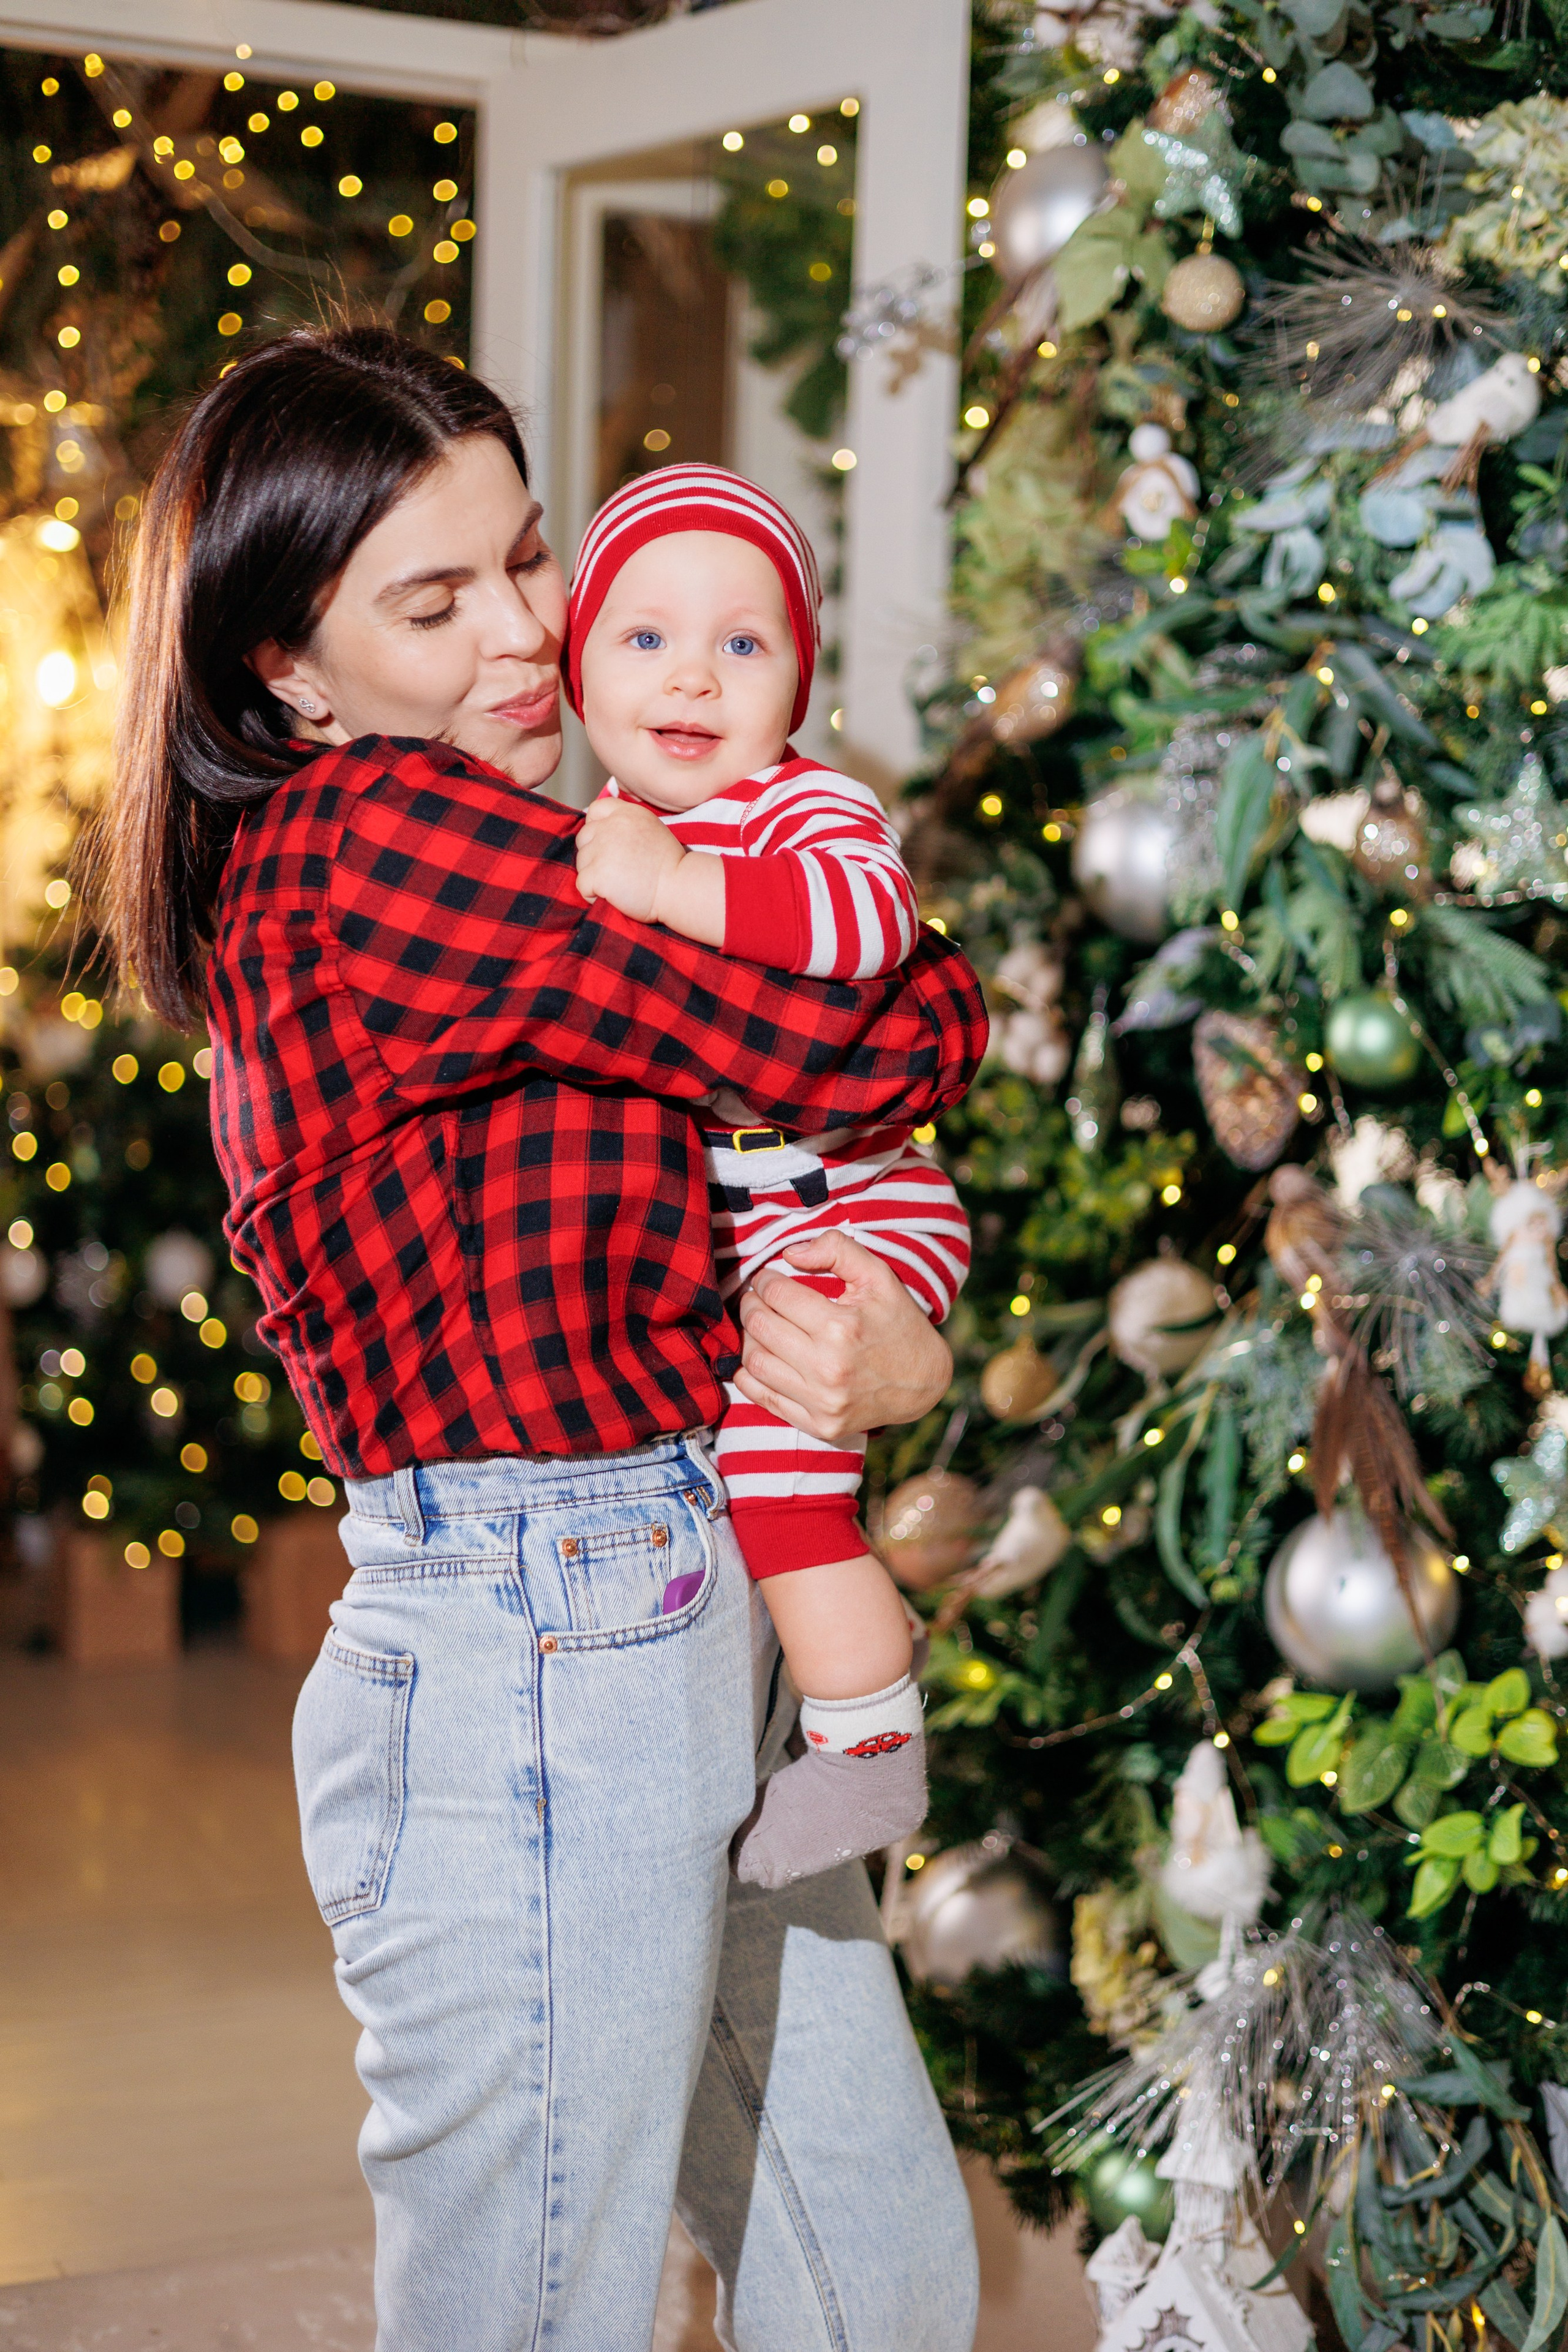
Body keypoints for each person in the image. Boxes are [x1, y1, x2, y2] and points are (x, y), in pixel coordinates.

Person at [100, 324, 986, 2352]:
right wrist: (913, 1002)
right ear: (284, 672)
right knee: (541, 2303)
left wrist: (881, 1326)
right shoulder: (372, 842)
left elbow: (844, 1128)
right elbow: (866, 1033)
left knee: (875, 2270)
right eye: (435, 599)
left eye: (529, 561)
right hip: (532, 1639)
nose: (524, 638)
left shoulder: (552, 831)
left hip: (678, 1586)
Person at [565, 464, 970, 1890]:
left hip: (854, 1205)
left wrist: (672, 888)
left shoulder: (803, 809)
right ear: (577, 672)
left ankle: (869, 1747)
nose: (692, 678)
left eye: (742, 644)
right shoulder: (608, 829)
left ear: (795, 685)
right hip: (769, 1209)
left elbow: (872, 927)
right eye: (644, 638)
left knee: (779, 1474)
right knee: (755, 1473)